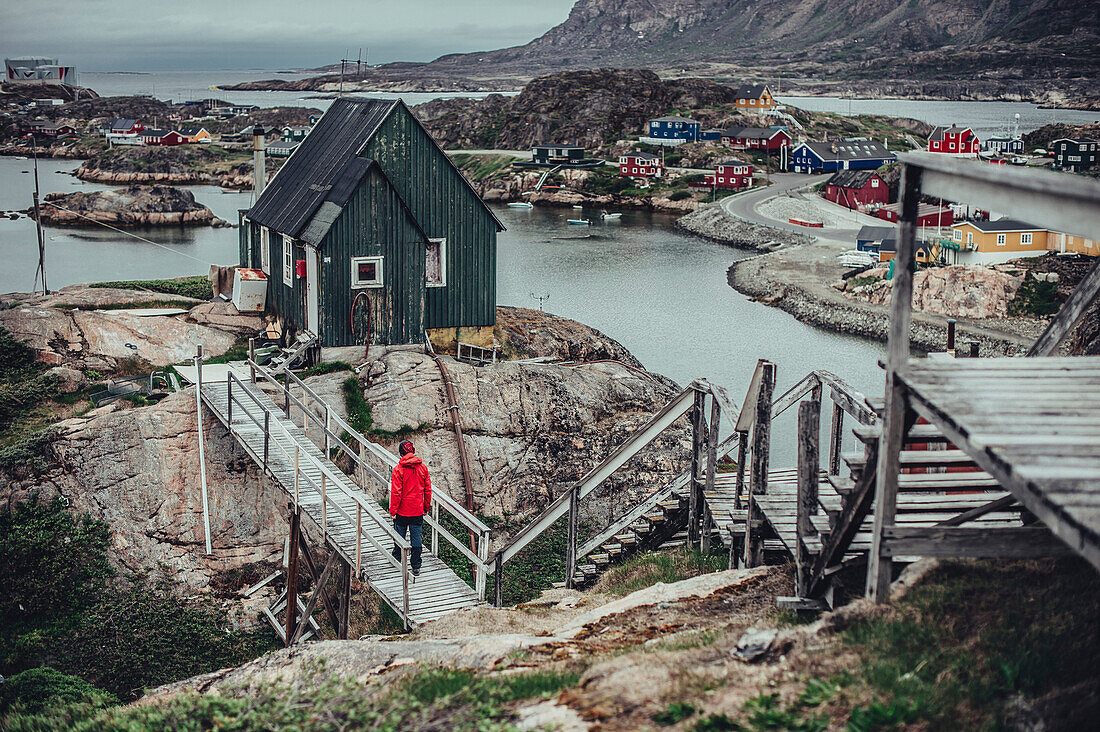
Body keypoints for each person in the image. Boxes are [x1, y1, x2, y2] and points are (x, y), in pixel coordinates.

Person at [390, 440, 431, 576]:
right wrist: (426, 507)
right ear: (412, 451)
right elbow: (428, 490)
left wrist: (393, 510)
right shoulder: (423, 468)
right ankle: (416, 566)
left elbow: (396, 492)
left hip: (402, 510)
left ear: (401, 453)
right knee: (416, 538)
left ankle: (398, 558)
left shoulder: (398, 469)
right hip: (417, 510)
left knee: (399, 535)